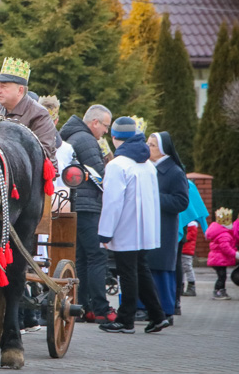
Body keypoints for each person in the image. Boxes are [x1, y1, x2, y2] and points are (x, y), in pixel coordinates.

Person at [97, 117, 169, 335]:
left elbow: (112, 203)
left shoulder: (117, 165)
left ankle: (126, 319)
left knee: (127, 272)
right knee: (140, 270)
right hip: (144, 228)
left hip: (125, 227)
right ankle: (157, 316)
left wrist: (105, 233)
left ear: (115, 137)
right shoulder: (147, 164)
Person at [59, 104, 114, 324]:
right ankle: (100, 308)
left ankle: (82, 306)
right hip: (88, 205)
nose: (106, 132)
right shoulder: (87, 140)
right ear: (95, 122)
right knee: (97, 256)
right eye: (105, 126)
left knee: (82, 257)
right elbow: (100, 176)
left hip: (75, 204)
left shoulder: (74, 136)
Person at [142, 132, 189, 322]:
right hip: (149, 225)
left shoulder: (175, 172)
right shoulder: (147, 167)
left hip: (165, 228)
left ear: (162, 150)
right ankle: (145, 307)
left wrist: (154, 198)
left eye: (152, 145)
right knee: (146, 266)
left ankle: (166, 309)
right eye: (147, 143)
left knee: (160, 269)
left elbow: (181, 202)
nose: (148, 147)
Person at [0, 57, 58, 169]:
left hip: (31, 180)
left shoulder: (39, 115)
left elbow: (43, 154)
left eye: (4, 86)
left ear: (20, 90)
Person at [206, 207, 236, 300]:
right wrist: (234, 253)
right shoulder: (224, 234)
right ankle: (218, 291)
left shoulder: (219, 232)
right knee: (222, 276)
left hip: (216, 259)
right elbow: (225, 247)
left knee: (221, 276)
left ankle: (221, 290)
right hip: (220, 259)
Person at [180, 222, 198, 297]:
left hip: (187, 251)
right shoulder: (188, 226)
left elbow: (186, 237)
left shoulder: (191, 226)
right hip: (183, 250)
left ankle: (191, 286)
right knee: (182, 269)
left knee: (187, 268)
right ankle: (181, 286)